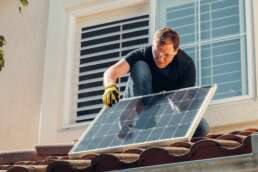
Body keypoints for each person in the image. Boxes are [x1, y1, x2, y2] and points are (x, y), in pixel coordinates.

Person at [102, 27, 209, 137]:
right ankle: (136, 117)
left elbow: (181, 105)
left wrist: (173, 105)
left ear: (175, 51)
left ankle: (153, 123)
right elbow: (111, 72)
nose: (160, 59)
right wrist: (110, 87)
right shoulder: (143, 53)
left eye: (166, 55)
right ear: (153, 46)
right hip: (139, 104)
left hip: (164, 108)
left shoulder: (186, 65)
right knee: (140, 66)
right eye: (157, 53)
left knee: (201, 127)